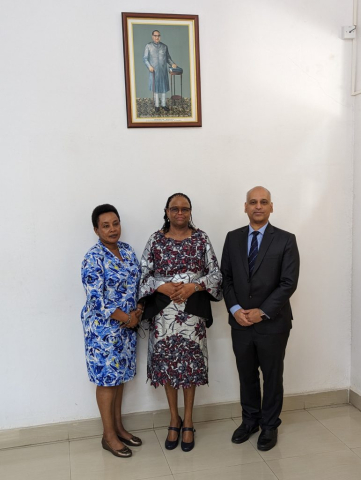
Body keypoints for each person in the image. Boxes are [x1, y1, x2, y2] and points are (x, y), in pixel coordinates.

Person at [138, 193, 222, 452]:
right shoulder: (155, 240)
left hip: (192, 313)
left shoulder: (201, 239)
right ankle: (173, 418)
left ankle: (188, 421)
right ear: (166, 211)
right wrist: (161, 287)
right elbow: (142, 276)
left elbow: (216, 275)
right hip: (163, 315)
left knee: (190, 366)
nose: (180, 213)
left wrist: (193, 286)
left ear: (190, 212)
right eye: (174, 209)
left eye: (185, 209)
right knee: (167, 366)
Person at [221, 187, 300, 452]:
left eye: (263, 202)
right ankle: (250, 421)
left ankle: (269, 426)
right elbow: (226, 278)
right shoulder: (232, 238)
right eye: (253, 202)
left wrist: (261, 311)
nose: (258, 206)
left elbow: (288, 283)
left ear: (271, 207)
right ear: (245, 207)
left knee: (272, 375)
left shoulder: (286, 240)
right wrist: (235, 309)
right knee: (246, 375)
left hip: (273, 323)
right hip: (240, 322)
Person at [81, 204, 143, 458]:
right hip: (103, 332)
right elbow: (97, 299)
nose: (112, 229)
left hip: (128, 328)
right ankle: (108, 436)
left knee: (119, 379)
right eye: (105, 225)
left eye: (115, 223)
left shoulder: (127, 251)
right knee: (107, 381)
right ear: (96, 229)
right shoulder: (93, 257)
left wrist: (138, 310)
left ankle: (118, 427)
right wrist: (126, 318)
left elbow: (139, 282)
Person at [143, 30, 177, 113]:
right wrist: (149, 66)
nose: (157, 37)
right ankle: (157, 105)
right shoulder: (148, 46)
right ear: (152, 36)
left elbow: (168, 58)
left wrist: (172, 64)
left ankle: (163, 104)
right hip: (154, 71)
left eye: (158, 35)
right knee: (156, 88)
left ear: (160, 36)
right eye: (155, 35)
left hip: (163, 71)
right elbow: (145, 58)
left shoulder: (164, 46)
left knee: (163, 88)